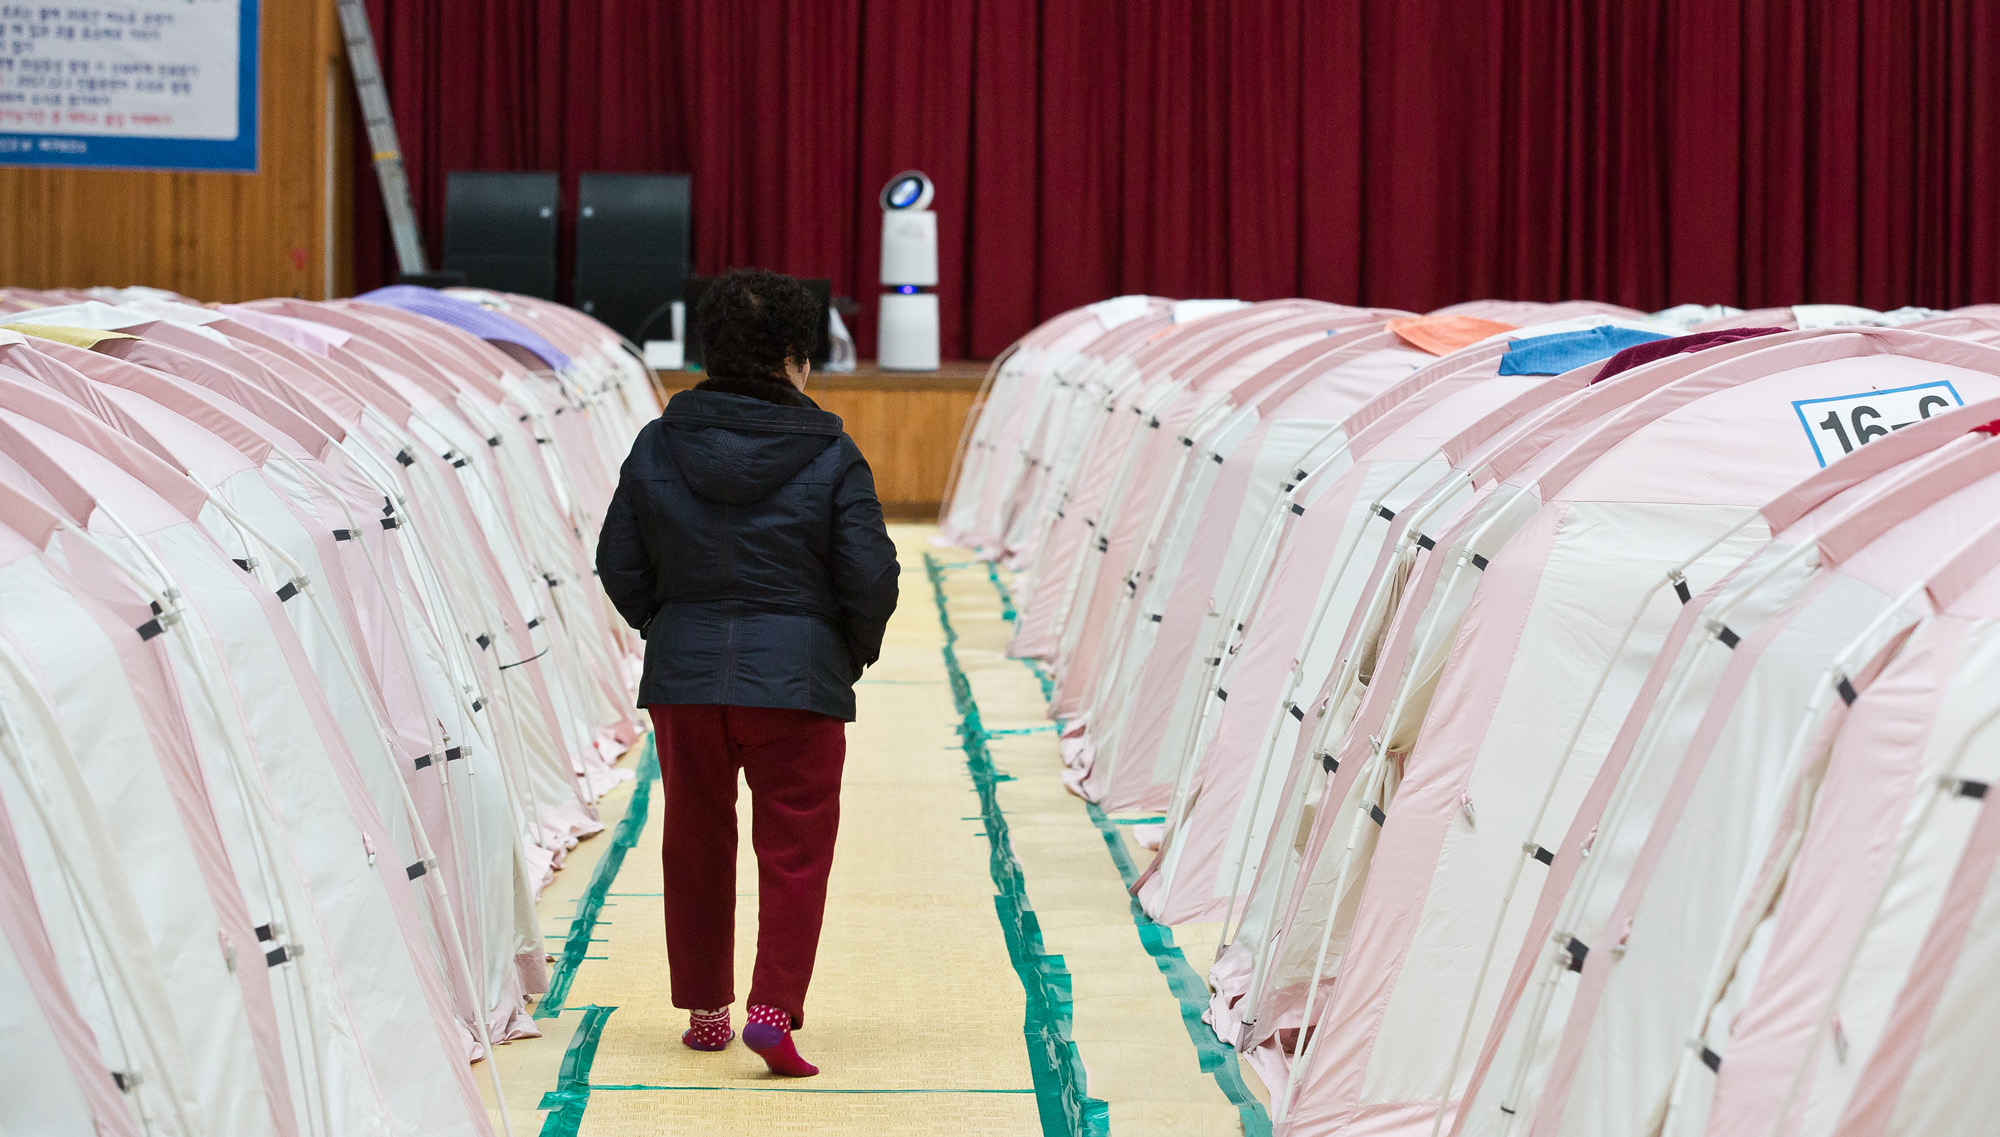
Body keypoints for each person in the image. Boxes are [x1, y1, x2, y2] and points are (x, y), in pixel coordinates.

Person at [595, 268, 899, 1077]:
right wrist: (846, 652)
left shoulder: (658, 442)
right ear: (796, 357)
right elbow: (870, 573)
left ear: (711, 350)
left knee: (694, 839)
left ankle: (704, 1011)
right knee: (795, 847)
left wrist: (668, 626)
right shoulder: (834, 451)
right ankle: (772, 1010)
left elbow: (617, 561)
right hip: (797, 684)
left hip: (685, 680)